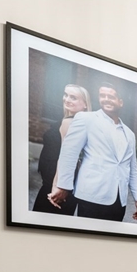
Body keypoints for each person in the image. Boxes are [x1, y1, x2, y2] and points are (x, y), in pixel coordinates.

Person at [50, 81, 137, 222]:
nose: (106, 99)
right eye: (102, 95)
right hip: (90, 196)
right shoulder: (85, 119)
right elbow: (69, 154)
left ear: (121, 102)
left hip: (119, 201)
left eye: (111, 96)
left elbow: (132, 169)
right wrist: (64, 186)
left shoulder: (130, 134)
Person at [31, 84, 91, 215]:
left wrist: (56, 186)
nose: (67, 99)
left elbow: (66, 157)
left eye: (73, 97)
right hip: (57, 182)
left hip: (56, 184)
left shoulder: (71, 122)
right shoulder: (72, 121)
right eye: (66, 95)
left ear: (85, 104)